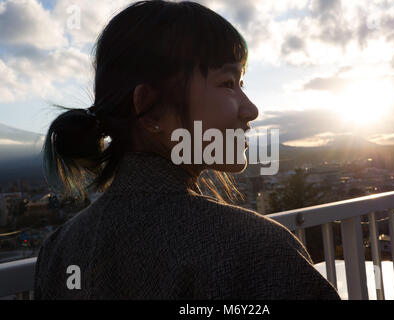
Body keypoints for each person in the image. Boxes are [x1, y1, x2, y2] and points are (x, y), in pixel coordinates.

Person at [34, 0, 340, 300]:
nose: (251, 109)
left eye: (242, 84)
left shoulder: (58, 250)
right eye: (227, 83)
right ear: (151, 111)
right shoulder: (254, 248)